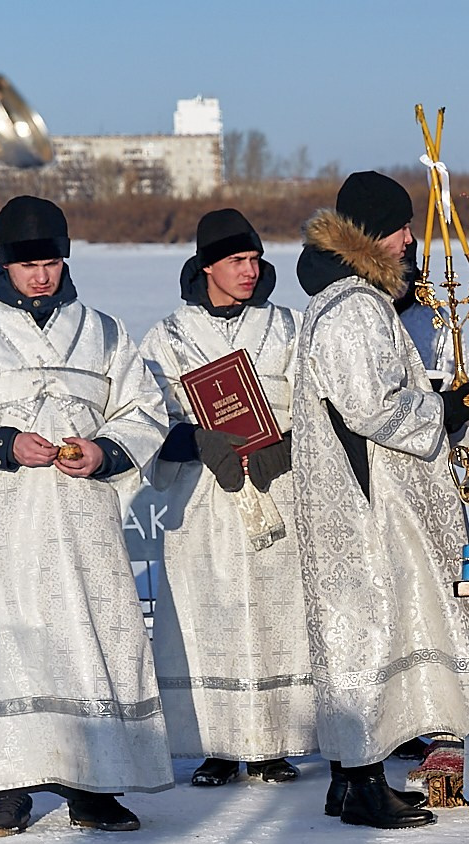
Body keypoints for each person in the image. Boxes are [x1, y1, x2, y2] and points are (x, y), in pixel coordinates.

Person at [0, 195, 172, 835]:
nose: (41, 276)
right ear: (4, 264)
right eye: (28, 266)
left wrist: (105, 450)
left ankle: (93, 782)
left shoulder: (105, 331)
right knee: (6, 642)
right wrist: (1, 442)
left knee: (86, 642)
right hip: (3, 522)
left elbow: (145, 410)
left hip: (82, 521)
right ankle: (7, 788)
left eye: (51, 263)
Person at [290, 171, 469, 830]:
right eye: (401, 228)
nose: (410, 240)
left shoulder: (348, 299)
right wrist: (446, 407)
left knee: (365, 631)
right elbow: (371, 405)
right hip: (367, 502)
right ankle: (360, 778)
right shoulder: (353, 305)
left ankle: (352, 780)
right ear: (371, 233)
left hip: (363, 493)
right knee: (366, 632)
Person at [137, 207, 315, 789]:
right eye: (236, 260)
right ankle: (214, 744)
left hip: (277, 490)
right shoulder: (168, 337)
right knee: (204, 613)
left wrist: (283, 448)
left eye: (255, 259)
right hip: (203, 500)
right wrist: (194, 440)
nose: (249, 269)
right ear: (207, 265)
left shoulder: (286, 327)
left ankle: (274, 741)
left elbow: (314, 403)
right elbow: (144, 417)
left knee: (278, 611)